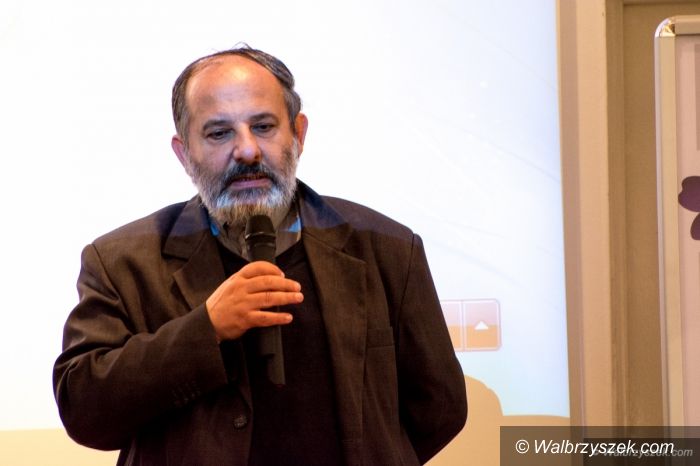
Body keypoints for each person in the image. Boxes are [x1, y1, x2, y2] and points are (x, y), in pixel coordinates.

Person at [53, 45, 467, 466]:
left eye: (264, 126)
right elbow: (84, 411)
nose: (247, 150)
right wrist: (206, 329)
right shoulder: (121, 262)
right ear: (184, 153)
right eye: (219, 133)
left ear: (298, 134)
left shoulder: (388, 248)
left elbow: (439, 408)